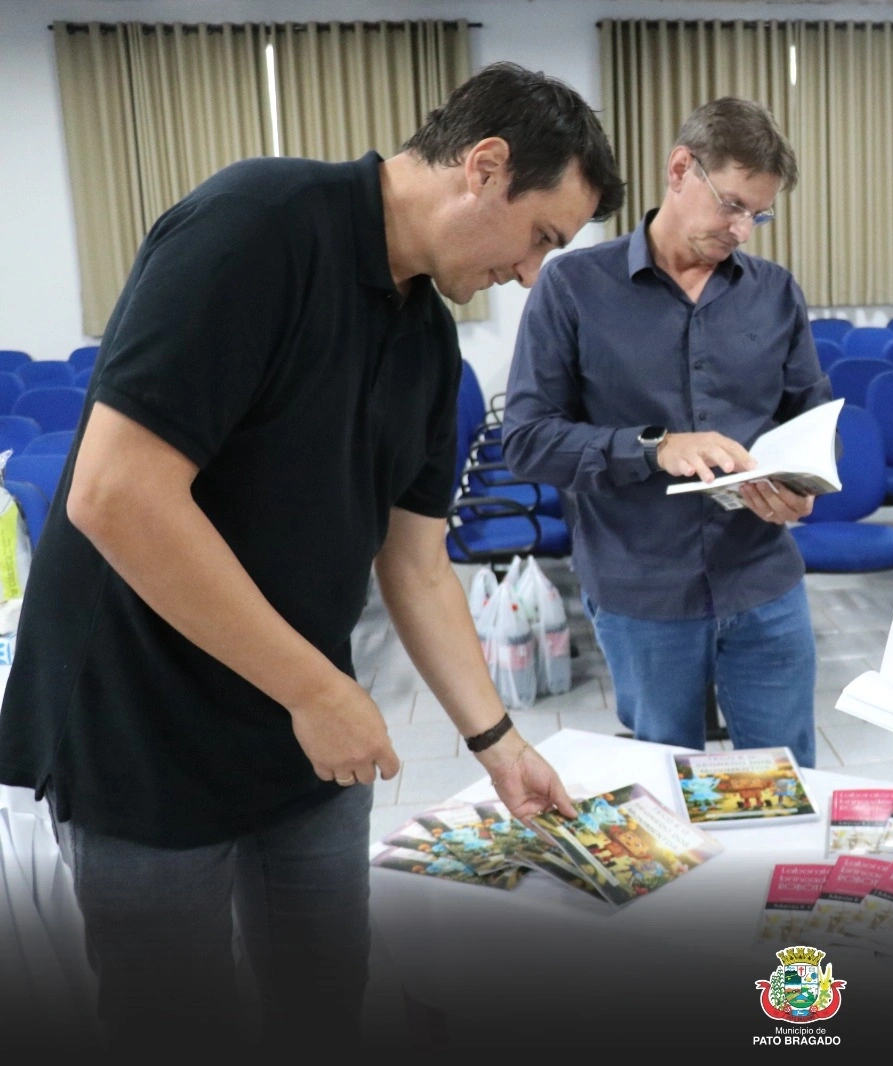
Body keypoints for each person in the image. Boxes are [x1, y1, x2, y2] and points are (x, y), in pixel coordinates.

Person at [0, 62, 624, 1050]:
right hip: (140, 721)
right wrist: (315, 686)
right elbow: (116, 495)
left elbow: (415, 567)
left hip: (301, 731)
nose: (532, 273)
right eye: (541, 236)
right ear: (485, 166)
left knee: (324, 998)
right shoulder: (258, 226)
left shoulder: (428, 347)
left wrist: (499, 741)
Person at [501, 98, 830, 767]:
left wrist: (804, 484)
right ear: (681, 169)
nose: (744, 229)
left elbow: (811, 413)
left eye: (759, 215)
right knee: (665, 783)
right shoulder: (572, 287)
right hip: (641, 586)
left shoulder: (774, 292)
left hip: (764, 579)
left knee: (788, 777)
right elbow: (528, 440)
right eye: (733, 206)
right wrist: (654, 448)